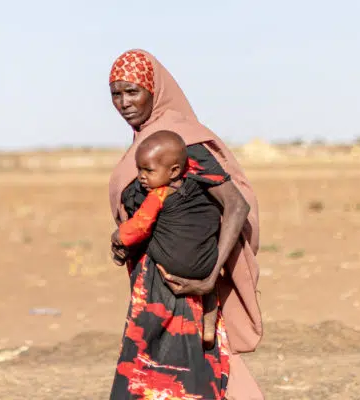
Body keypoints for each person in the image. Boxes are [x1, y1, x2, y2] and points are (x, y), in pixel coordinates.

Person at [108, 49, 263, 399]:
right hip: (152, 285)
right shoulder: (149, 145)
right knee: (164, 375)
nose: (123, 102)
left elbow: (235, 205)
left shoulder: (180, 143)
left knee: (180, 377)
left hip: (184, 288)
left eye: (132, 91)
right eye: (116, 93)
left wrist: (209, 277)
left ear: (155, 91)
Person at [110, 130, 222, 350]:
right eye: (139, 169)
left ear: (173, 171)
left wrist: (118, 236)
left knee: (150, 241)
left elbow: (139, 227)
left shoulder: (158, 195)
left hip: (176, 269)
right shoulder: (198, 191)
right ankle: (209, 325)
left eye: (148, 170)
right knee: (211, 290)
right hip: (208, 266)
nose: (141, 176)